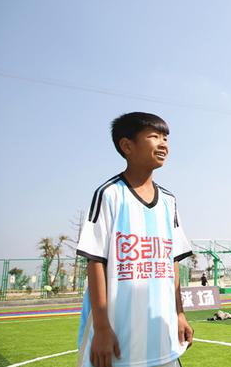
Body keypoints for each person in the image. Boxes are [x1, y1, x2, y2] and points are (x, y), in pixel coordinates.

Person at [76, 112, 194, 367]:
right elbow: (95, 261)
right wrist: (102, 328)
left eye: (166, 138)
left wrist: (179, 313)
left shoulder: (168, 201)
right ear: (127, 145)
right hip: (118, 339)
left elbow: (173, 262)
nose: (164, 144)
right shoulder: (108, 195)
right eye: (154, 137)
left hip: (162, 339)